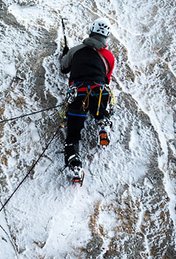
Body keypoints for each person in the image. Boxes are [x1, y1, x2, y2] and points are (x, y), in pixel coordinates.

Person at [60, 17, 116, 175]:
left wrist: (65, 54)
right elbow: (107, 79)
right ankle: (102, 123)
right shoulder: (109, 57)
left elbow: (64, 68)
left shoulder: (75, 50)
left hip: (78, 93)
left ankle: (75, 163)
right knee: (100, 108)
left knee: (73, 133)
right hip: (99, 92)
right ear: (106, 36)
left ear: (91, 31)